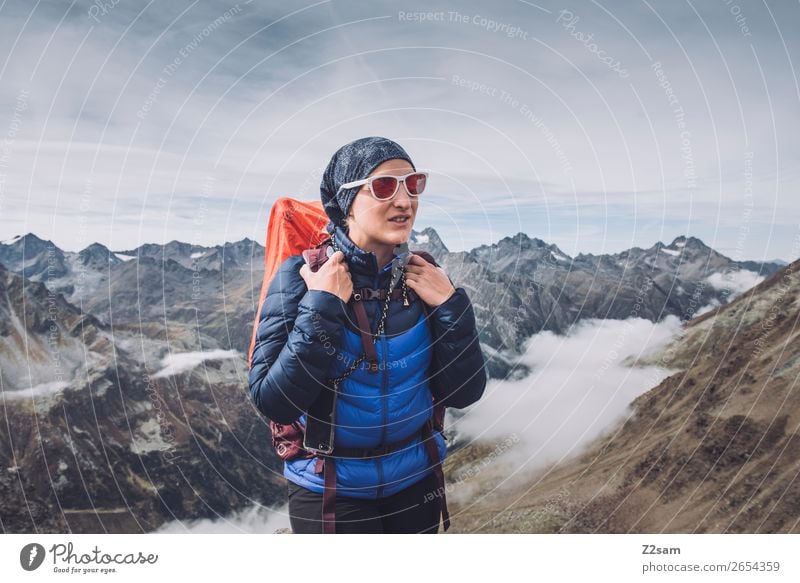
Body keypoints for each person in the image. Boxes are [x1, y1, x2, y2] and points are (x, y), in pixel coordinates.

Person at [248, 136, 486, 533]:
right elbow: (275, 403)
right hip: (330, 490)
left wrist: (451, 306)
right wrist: (322, 305)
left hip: (416, 482)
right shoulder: (300, 279)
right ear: (345, 204)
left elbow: (464, 393)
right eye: (383, 186)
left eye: (413, 184)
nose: (405, 200)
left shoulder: (426, 278)